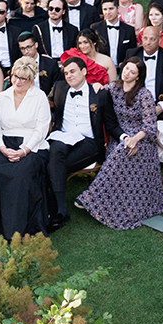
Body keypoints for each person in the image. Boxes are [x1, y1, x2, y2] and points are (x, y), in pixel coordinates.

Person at [76, 58, 163, 229]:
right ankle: (102, 200)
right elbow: (97, 90)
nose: (127, 73)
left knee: (121, 151)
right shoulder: (113, 88)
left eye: (132, 72)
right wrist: (96, 85)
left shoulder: (144, 95)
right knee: (120, 149)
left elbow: (149, 126)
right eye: (126, 69)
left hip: (142, 139)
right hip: (119, 136)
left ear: (138, 76)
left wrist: (134, 139)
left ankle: (91, 197)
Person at [47, 55, 121, 231]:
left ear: (84, 71)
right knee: (56, 151)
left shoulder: (100, 94)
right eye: (66, 73)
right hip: (63, 136)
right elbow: (44, 102)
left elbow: (111, 124)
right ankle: (61, 211)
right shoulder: (59, 87)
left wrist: (124, 137)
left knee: (53, 165)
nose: (69, 76)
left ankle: (52, 209)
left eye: (72, 71)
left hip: (88, 141)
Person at [0, 57, 50, 241]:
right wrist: (2, 148)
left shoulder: (40, 97)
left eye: (24, 78)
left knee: (22, 174)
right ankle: (1, 227)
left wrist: (24, 150)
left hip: (32, 146)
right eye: (16, 76)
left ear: (31, 80)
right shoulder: (2, 97)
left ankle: (22, 230)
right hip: (3, 144)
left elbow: (41, 130)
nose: (18, 81)